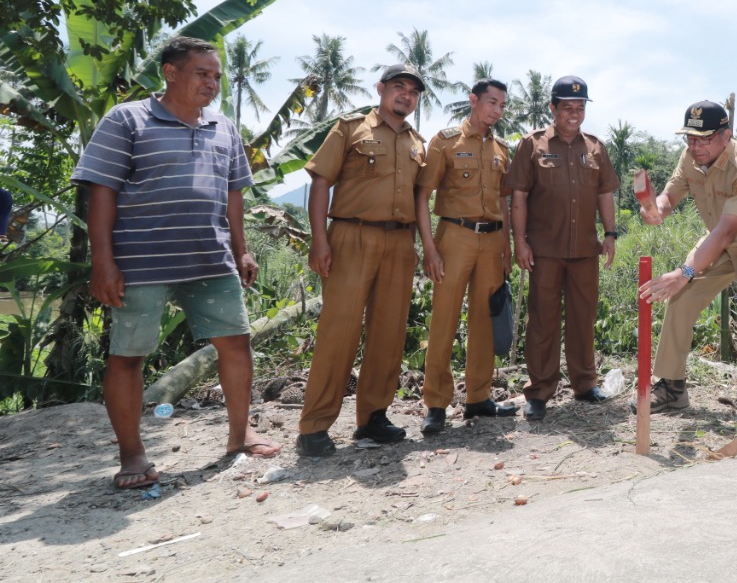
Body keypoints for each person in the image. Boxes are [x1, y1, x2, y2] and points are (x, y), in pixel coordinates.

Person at [73, 35, 280, 490]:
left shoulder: (224, 127)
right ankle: (132, 453)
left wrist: (242, 249)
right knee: (128, 356)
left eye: (216, 76)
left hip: (210, 257)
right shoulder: (127, 119)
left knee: (236, 342)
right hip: (142, 261)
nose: (212, 84)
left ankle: (239, 435)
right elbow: (102, 192)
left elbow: (234, 194)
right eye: (202, 73)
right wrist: (102, 261)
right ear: (170, 72)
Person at [638, 101, 737, 436]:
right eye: (690, 139)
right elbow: (669, 197)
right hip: (721, 242)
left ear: (726, 136)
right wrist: (654, 210)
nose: (695, 146)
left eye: (704, 139)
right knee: (681, 298)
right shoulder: (690, 158)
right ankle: (672, 388)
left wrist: (684, 273)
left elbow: (727, 230)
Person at [295, 64, 429, 457]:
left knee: (389, 332)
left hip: (399, 242)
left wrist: (417, 245)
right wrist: (319, 240)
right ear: (381, 89)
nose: (405, 95)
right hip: (351, 236)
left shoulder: (417, 143)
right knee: (339, 332)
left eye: (413, 91)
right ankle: (314, 426)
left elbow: (419, 199)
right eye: (398, 87)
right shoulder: (351, 128)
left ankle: (373, 418)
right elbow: (321, 181)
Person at [504, 75, 619, 421]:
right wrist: (520, 241)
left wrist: (610, 233)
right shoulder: (532, 145)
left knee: (583, 318)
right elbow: (519, 196)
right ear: (553, 108)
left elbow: (605, 193)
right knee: (542, 321)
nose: (574, 113)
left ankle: (585, 384)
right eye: (567, 107)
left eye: (580, 107)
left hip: (585, 249)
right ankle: (540, 391)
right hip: (545, 250)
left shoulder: (595, 147)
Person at [418, 79, 516, 435]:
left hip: (492, 240)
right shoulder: (445, 142)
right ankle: (436, 403)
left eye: (502, 105)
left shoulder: (501, 149)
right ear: (473, 100)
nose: (497, 110)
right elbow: (423, 195)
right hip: (454, 236)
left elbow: (503, 200)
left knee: (485, 319)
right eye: (492, 102)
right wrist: (429, 248)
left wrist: (506, 246)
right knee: (444, 318)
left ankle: (479, 397)